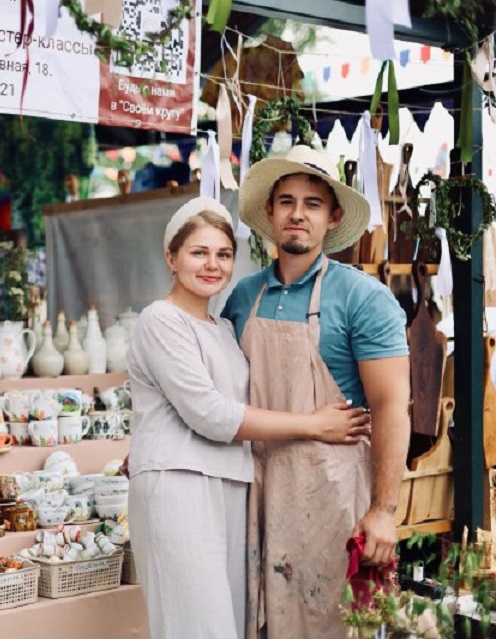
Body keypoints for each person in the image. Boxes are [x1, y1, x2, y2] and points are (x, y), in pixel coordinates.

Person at [126, 196, 371, 639]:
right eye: (198, 253)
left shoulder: (221, 328)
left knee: (230, 627)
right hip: (178, 487)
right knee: (199, 630)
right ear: (171, 257)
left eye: (223, 255)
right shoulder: (159, 320)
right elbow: (210, 414)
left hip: (230, 485)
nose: (212, 265)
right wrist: (313, 424)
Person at [221, 145, 411, 638]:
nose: (297, 214)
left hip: (331, 496)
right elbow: (216, 397)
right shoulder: (244, 296)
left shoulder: (362, 297)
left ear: (332, 217)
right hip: (256, 492)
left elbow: (392, 408)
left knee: (334, 625)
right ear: (270, 212)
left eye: (312, 203)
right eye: (286, 201)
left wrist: (384, 512)